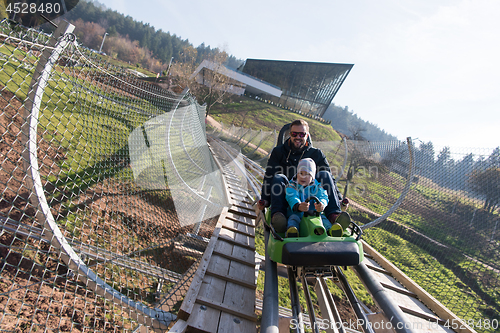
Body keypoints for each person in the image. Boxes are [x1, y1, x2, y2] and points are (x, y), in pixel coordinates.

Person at [257, 119, 349, 233]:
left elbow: (329, 179)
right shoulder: (279, 152)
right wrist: (264, 200)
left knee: (324, 173)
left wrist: (339, 198)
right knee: (278, 177)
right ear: (289, 134)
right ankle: (279, 217)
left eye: (302, 134)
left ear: (307, 135)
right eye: (294, 134)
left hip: (313, 195)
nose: (298, 137)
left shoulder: (316, 154)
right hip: (288, 194)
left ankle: (334, 215)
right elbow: (269, 176)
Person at [285, 158, 346, 237]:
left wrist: (322, 204)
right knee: (293, 219)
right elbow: (291, 196)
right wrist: (298, 205)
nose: (303, 176)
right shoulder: (293, 185)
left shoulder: (317, 186)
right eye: (301, 173)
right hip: (298, 214)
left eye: (307, 174)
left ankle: (330, 231)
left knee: (323, 219)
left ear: (312, 177)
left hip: (315, 215)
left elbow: (323, 195)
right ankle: (292, 231)